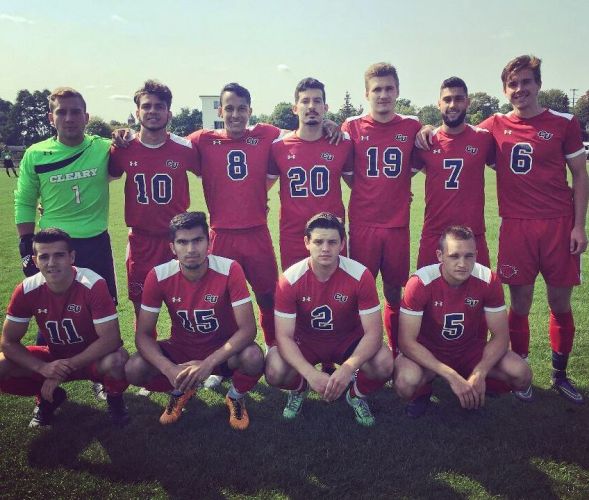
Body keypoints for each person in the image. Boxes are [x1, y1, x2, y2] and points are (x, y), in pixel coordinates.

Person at [418, 56, 588, 403]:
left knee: (559, 302)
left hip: (557, 224)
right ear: (505, 89)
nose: (520, 89)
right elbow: (455, 129)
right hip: (515, 227)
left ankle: (560, 373)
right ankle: (520, 368)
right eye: (513, 84)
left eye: (526, 82)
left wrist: (579, 226)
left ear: (538, 84)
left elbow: (581, 174)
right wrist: (425, 130)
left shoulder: (563, 122)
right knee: (519, 303)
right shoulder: (493, 125)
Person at [13, 87, 117, 401]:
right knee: (48, 316)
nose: (69, 118)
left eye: (75, 112)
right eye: (62, 112)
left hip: (94, 243)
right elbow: (24, 201)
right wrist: (25, 246)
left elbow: (129, 157)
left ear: (86, 117)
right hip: (52, 247)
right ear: (51, 118)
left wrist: (124, 135)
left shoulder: (103, 148)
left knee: (101, 314)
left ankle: (102, 378)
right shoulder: (36, 153)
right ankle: (46, 390)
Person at [124, 212, 264, 430]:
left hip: (222, 350)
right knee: (134, 368)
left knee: (253, 357)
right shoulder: (159, 275)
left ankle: (235, 396)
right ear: (172, 247)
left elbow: (248, 329)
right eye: (182, 242)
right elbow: (143, 334)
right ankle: (179, 390)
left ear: (209, 241)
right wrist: (169, 368)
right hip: (182, 348)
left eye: (197, 240)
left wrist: (208, 363)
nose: (191, 249)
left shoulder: (229, 268)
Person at [265, 212, 394, 426]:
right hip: (306, 342)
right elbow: (284, 336)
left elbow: (374, 332)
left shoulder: (360, 275)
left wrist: (348, 368)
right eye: (318, 242)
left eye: (332, 242)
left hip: (347, 340)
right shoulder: (289, 279)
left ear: (342, 244)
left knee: (383, 363)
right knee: (274, 368)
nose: (325, 248)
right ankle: (299, 388)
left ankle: (356, 395)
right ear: (307, 242)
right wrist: (309, 374)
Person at [394, 226, 532, 417]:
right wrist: (450, 376)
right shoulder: (421, 282)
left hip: (468, 350)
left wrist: (480, 372)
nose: (462, 263)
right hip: (430, 351)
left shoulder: (487, 279)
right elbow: (406, 342)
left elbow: (501, 336)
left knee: (521, 373)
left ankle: (474, 383)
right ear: (440, 256)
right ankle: (427, 390)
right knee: (405, 383)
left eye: (469, 256)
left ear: (476, 254)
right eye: (454, 256)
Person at [0, 228, 129, 428]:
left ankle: (114, 398)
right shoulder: (26, 289)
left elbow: (111, 339)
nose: (51, 263)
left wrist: (64, 367)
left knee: (118, 359)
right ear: (35, 261)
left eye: (59, 255)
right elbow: (8, 343)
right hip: (53, 356)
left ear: (72, 257)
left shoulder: (92, 283)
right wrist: (42, 368)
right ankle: (49, 398)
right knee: (2, 364)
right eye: (44, 257)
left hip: (92, 359)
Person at [188, 83, 281, 353]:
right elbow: (165, 145)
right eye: (229, 108)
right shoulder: (202, 139)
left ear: (250, 110)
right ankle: (220, 354)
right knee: (218, 300)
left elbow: (301, 134)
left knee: (267, 295)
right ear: (220, 110)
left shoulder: (266, 134)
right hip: (220, 234)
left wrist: (332, 126)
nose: (236, 114)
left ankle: (273, 347)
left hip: (257, 233)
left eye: (242, 108)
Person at [341, 63, 421, 355]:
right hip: (364, 224)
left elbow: (417, 164)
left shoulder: (412, 126)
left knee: (393, 292)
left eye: (389, 88)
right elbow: (347, 171)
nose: (383, 94)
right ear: (367, 94)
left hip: (397, 225)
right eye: (377, 89)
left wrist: (396, 187)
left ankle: (397, 349)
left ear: (397, 91)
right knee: (359, 291)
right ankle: (358, 349)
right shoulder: (351, 126)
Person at [109, 80, 199, 323]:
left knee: (185, 303)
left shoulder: (185, 148)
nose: (152, 111)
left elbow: (211, 175)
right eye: (146, 106)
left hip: (177, 238)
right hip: (141, 240)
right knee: (142, 307)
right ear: (137, 112)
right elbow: (101, 179)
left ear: (168, 113)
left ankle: (185, 349)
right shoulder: (123, 148)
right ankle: (147, 356)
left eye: (159, 106)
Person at [268, 78, 354, 271]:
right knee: (295, 290)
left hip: (331, 235)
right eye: (305, 101)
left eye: (317, 101)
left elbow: (359, 185)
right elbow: (261, 187)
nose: (311, 106)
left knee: (336, 290)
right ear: (295, 108)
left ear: (325, 107)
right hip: (293, 235)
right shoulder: (278, 147)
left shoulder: (342, 143)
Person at [413, 77, 494, 269]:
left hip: (473, 233)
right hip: (435, 233)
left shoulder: (483, 138)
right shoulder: (426, 141)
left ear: (467, 102)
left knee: (479, 293)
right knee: (425, 292)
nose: (452, 105)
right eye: (447, 99)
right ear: (438, 103)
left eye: (458, 99)